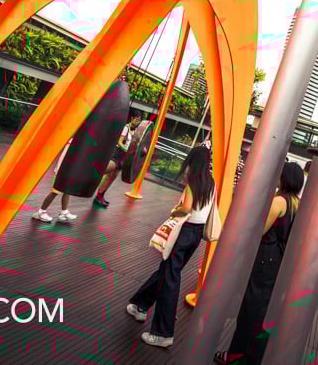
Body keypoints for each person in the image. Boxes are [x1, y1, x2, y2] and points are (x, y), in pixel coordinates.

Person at [124, 144, 215, 348]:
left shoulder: (193, 182)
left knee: (170, 279)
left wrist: (174, 212)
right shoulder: (211, 183)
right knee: (166, 271)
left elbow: (186, 209)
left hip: (184, 232)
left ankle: (163, 333)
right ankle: (140, 305)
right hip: (196, 235)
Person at [214, 161, 304, 364]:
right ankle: (252, 357)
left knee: (249, 311)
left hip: (264, 261)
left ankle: (236, 356)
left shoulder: (279, 202)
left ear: (284, 178)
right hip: (278, 262)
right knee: (263, 313)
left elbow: (259, 231)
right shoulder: (296, 203)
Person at [94, 111, 143, 208]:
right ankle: (88, 182)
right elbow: (119, 142)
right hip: (117, 155)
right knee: (102, 172)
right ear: (132, 118)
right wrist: (127, 150)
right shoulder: (126, 128)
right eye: (136, 119)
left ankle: (100, 195)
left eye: (139, 120)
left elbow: (135, 145)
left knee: (111, 178)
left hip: (123, 158)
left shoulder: (135, 132)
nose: (137, 122)